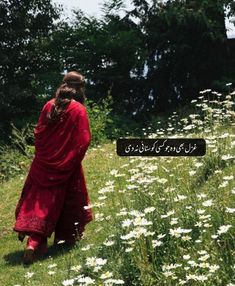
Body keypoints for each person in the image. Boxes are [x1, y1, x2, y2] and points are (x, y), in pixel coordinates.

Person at [13, 71, 93, 264]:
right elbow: (84, 139)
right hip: (67, 166)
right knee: (68, 201)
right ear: (80, 89)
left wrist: (45, 157)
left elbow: (38, 134)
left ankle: (33, 243)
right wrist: (71, 159)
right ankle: (66, 238)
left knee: (41, 202)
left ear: (62, 85)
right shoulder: (79, 110)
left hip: (43, 165)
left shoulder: (48, 105)